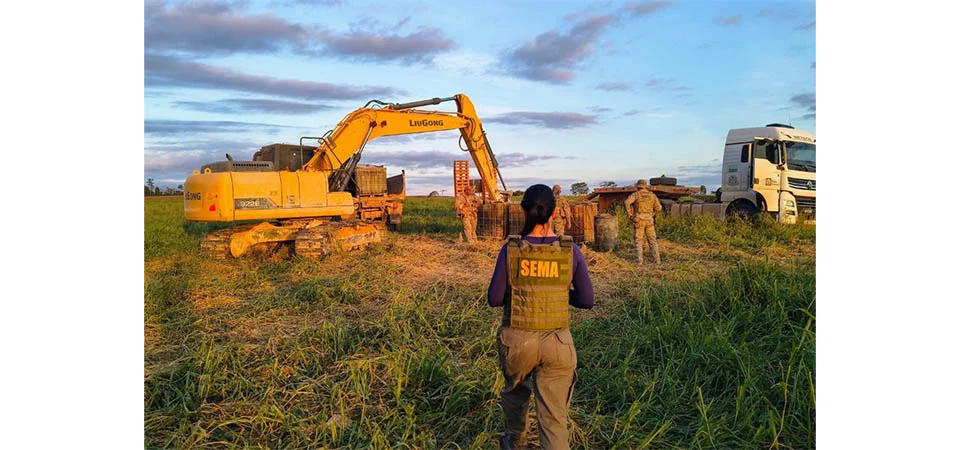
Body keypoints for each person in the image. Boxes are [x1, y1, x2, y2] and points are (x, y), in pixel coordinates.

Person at [487, 184, 595, 450]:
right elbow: (587, 300)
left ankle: (515, 440)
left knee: (516, 393)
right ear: (555, 212)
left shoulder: (511, 249)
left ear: (524, 211)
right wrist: (560, 293)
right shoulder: (570, 250)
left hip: (518, 342)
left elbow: (495, 298)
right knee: (554, 419)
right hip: (558, 344)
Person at [623, 179, 662, 265]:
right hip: (649, 220)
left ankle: (639, 261)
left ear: (638, 186)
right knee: (652, 240)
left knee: (638, 240)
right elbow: (659, 208)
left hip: (639, 219)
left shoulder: (636, 194)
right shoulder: (652, 195)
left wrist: (630, 215)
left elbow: (627, 202)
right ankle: (657, 260)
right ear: (645, 185)